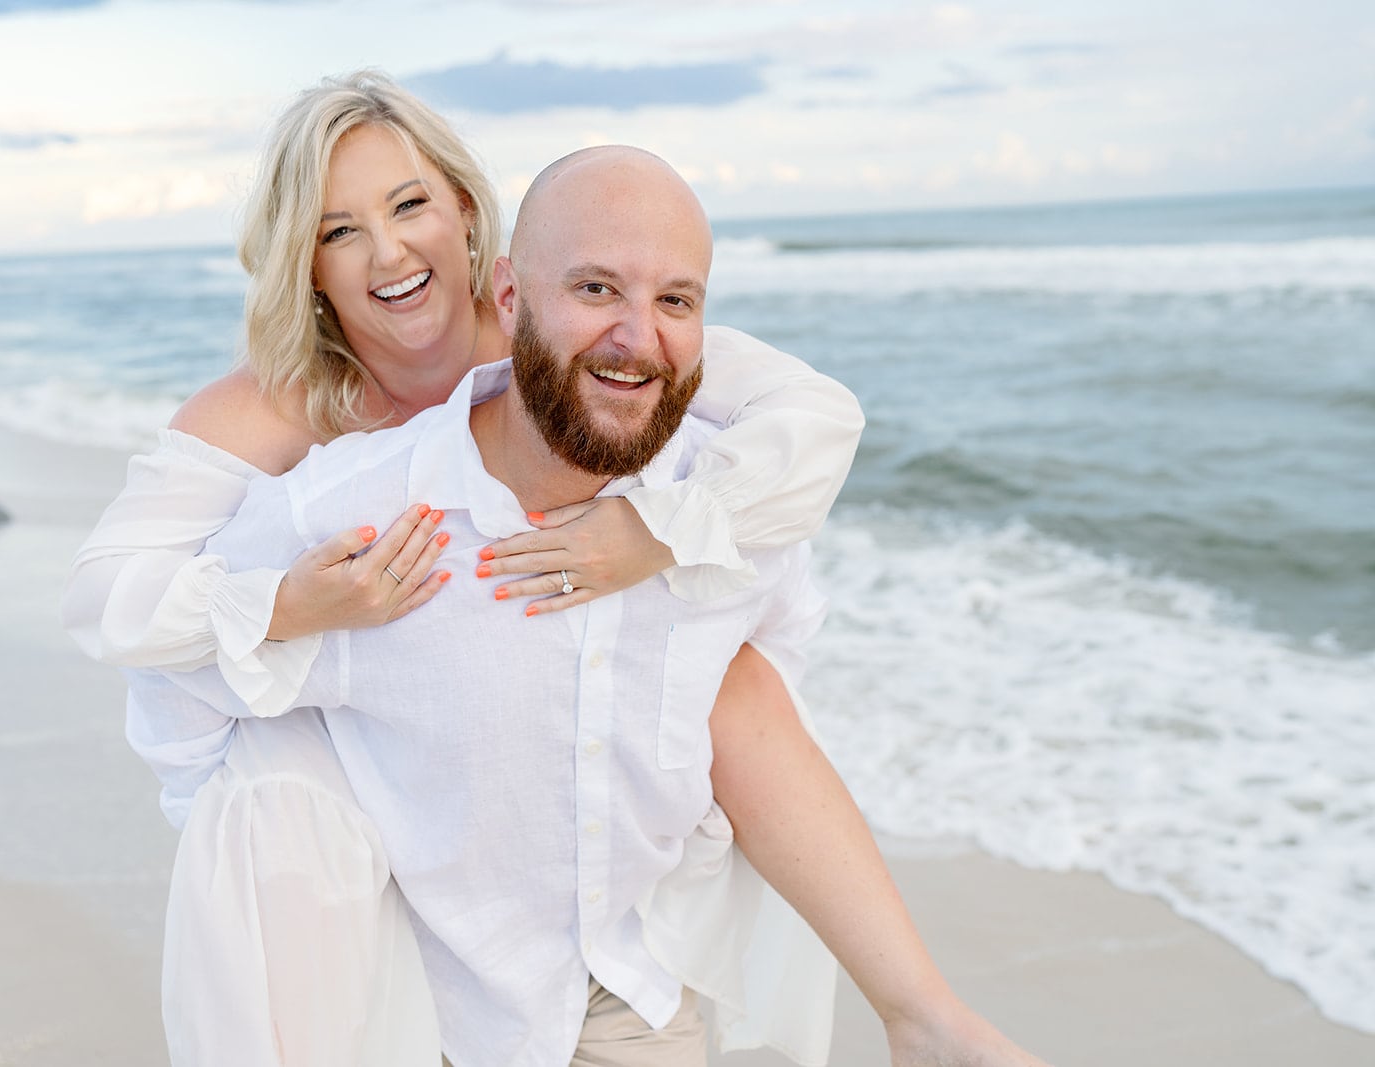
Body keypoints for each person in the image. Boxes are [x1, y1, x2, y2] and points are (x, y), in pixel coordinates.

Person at [144, 145, 1049, 1067]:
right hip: (414, 999)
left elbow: (759, 691)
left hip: (623, 991)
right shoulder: (358, 518)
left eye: (675, 300)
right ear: (508, 297)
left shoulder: (721, 511)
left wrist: (660, 536)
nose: (636, 336)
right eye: (595, 289)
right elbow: (177, 697)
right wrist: (312, 848)